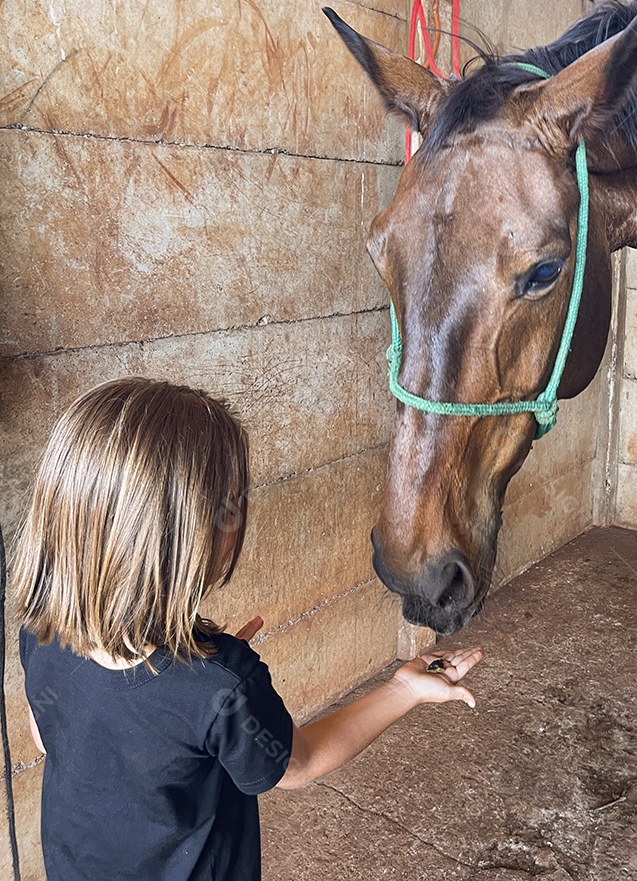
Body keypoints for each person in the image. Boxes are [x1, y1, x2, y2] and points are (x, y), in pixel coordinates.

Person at [15, 377, 483, 881]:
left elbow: (50, 738)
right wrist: (403, 688)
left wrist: (195, 684)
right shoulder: (223, 687)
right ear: (192, 533)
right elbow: (300, 764)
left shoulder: (40, 628)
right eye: (230, 505)